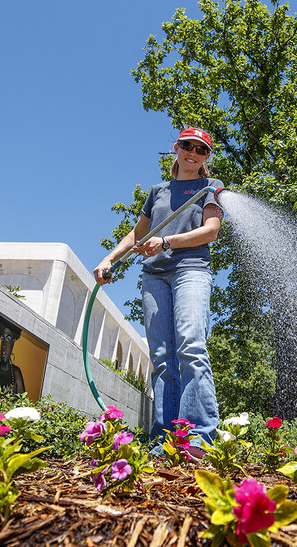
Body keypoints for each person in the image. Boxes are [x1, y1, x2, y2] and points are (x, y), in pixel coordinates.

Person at [93, 127, 224, 454]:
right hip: (155, 276)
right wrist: (109, 259)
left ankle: (199, 437)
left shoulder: (211, 187)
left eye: (201, 149)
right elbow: (137, 235)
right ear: (175, 149)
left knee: (191, 344)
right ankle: (164, 440)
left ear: (206, 156)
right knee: (163, 358)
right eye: (187, 146)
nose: (192, 153)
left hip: (191, 270)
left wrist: (166, 241)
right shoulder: (158, 191)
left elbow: (210, 231)